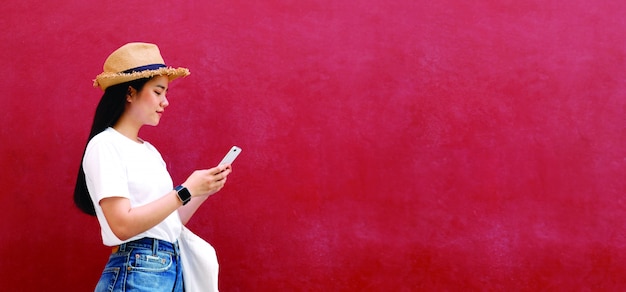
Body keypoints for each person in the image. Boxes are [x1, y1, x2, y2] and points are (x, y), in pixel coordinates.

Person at [74, 42, 231, 291]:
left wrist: (201, 190)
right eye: (158, 92)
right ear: (129, 93)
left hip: (169, 269)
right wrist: (185, 190)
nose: (165, 102)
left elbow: (168, 224)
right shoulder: (105, 145)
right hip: (139, 268)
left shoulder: (149, 151)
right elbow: (122, 225)